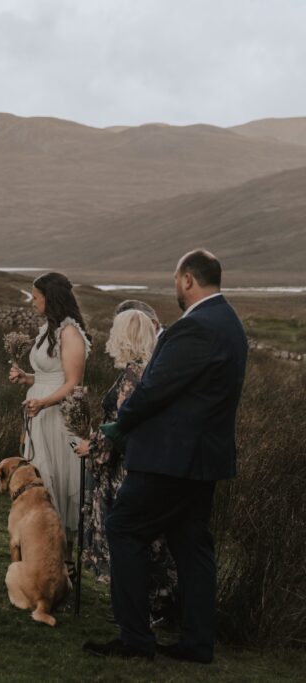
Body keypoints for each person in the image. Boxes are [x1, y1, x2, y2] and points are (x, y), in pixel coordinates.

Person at [84, 250, 248, 663]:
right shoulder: (230, 324)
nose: (175, 287)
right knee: (192, 545)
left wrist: (121, 423)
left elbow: (154, 389)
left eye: (176, 280)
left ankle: (135, 639)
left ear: (188, 280)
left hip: (169, 457)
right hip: (203, 458)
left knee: (123, 527)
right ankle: (197, 643)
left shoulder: (195, 328)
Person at [73, 309, 177, 620]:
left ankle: (140, 609)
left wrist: (91, 447)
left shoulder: (133, 376)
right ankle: (151, 604)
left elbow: (122, 425)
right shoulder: (152, 370)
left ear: (124, 338)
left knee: (128, 537)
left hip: (124, 470)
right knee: (149, 538)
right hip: (145, 465)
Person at [8, 272, 90, 547]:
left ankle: (61, 552)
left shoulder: (70, 333)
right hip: (38, 412)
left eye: (36, 296)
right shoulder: (48, 329)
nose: (32, 301)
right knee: (40, 475)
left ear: (50, 299)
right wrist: (28, 378)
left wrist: (44, 402)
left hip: (57, 417)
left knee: (56, 478)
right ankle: (40, 538)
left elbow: (73, 383)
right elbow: (48, 375)